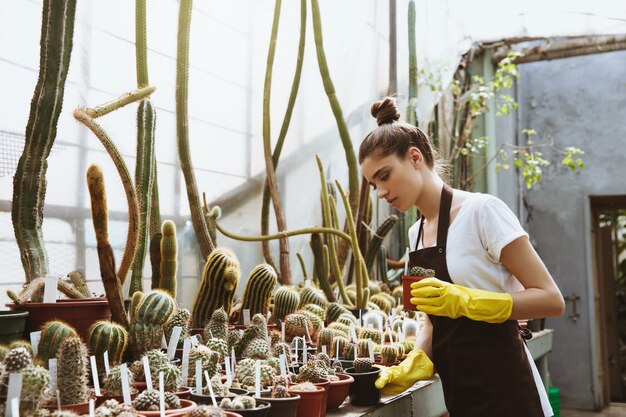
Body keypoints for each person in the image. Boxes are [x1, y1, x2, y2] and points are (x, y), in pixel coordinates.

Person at [359, 97, 565, 417]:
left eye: (384, 176)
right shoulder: (416, 235)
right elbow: (432, 320)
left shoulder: (482, 211)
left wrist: (470, 302)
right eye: (373, 185)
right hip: (461, 397)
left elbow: (552, 299)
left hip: (510, 393)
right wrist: (415, 362)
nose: (381, 193)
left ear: (415, 157)